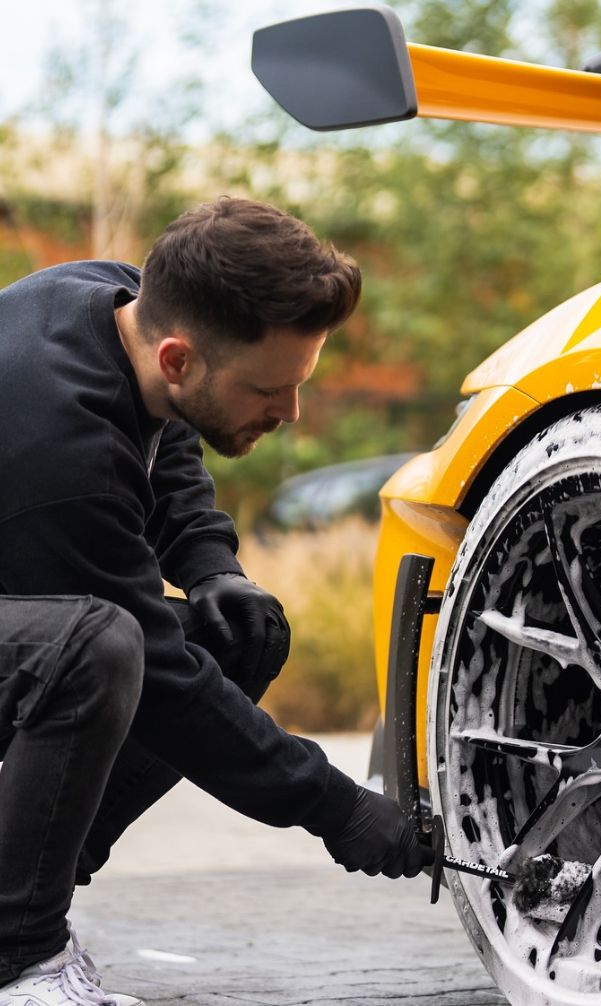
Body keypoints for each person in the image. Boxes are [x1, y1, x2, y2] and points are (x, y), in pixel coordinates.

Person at [0, 197, 429, 1006]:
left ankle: (23, 890)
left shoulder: (122, 302)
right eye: (270, 388)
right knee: (98, 649)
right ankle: (16, 952)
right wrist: (336, 807)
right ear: (178, 359)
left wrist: (208, 564)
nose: (291, 412)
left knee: (241, 628)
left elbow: (167, 442)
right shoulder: (59, 445)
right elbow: (165, 683)